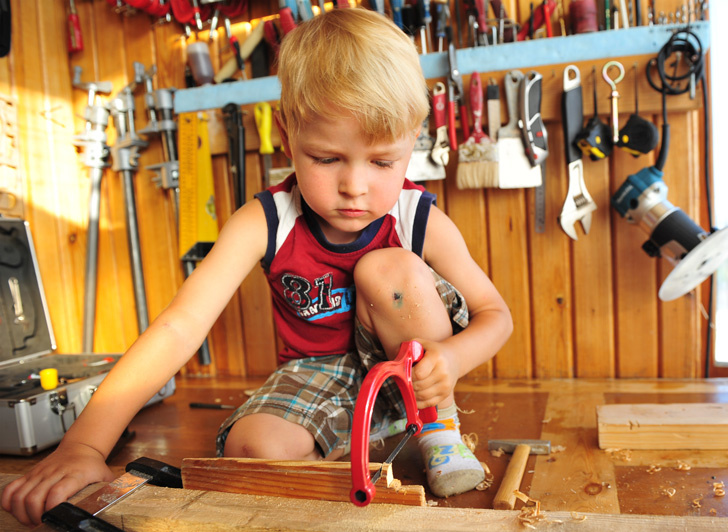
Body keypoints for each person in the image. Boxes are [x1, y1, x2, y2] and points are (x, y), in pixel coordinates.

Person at [1, 8, 512, 525]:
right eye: (326, 159)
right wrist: (84, 446)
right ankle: (345, 441)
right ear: (287, 137)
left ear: (413, 138)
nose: (355, 187)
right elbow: (178, 328)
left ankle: (437, 430)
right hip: (316, 376)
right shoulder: (265, 220)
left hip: (414, 373)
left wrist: (451, 359)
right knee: (250, 449)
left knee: (387, 270)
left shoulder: (417, 216)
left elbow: (495, 314)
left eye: (382, 162)